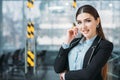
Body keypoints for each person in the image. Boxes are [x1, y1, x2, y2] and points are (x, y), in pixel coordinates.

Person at [54, 5, 113, 80]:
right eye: (79, 22)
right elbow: (58, 68)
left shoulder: (105, 46)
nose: (83, 27)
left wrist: (65, 76)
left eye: (88, 21)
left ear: (97, 21)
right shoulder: (74, 43)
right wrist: (67, 41)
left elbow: (88, 75)